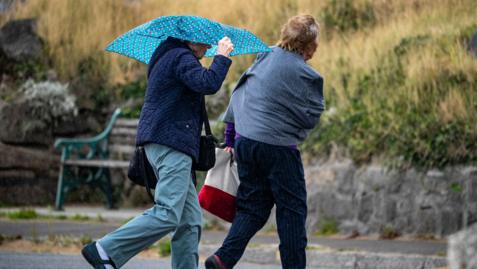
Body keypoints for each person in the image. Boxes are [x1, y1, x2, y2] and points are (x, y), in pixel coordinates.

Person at [81, 36, 234, 269]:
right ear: (191, 41)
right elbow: (208, 83)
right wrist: (222, 57)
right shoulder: (181, 57)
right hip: (172, 145)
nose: (208, 48)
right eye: (204, 43)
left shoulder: (169, 55)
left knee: (190, 221)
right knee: (168, 213)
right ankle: (105, 249)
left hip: (166, 142)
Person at [205, 15, 325, 269]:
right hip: (279, 149)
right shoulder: (307, 74)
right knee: (292, 213)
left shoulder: (265, 54)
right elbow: (311, 115)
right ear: (310, 46)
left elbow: (241, 91)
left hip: (246, 143)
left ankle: (223, 259)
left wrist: (230, 137)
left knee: (252, 208)